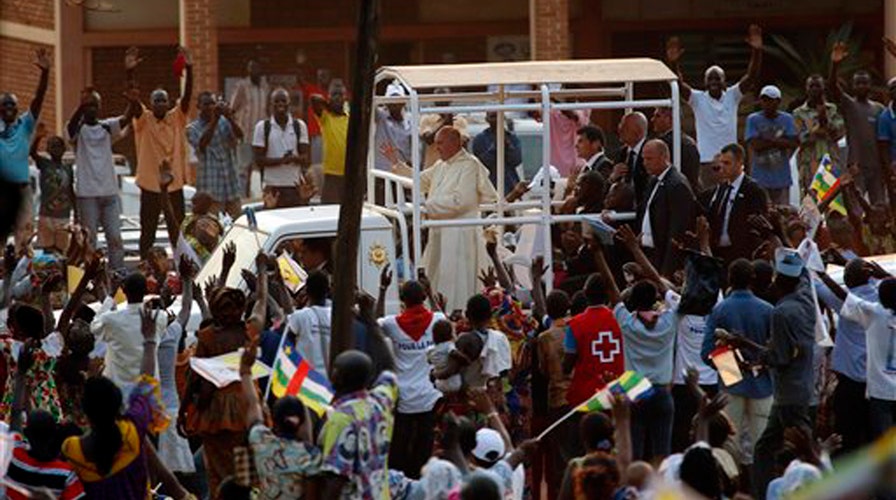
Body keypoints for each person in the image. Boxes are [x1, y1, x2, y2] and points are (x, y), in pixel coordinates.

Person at [730, 249, 815, 498]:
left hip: (786, 393)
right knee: (768, 446)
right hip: (798, 388)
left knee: (800, 448)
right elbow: (803, 273)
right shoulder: (806, 300)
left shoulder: (781, 312)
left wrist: (745, 345)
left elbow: (780, 358)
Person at [62, 306, 172, 498]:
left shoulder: (72, 448)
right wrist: (149, 340)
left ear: (86, 411)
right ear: (119, 404)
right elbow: (146, 383)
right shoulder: (132, 429)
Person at [597, 226, 677, 462]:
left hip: (635, 391)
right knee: (662, 454)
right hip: (662, 393)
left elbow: (611, 287)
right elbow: (661, 283)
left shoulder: (627, 322)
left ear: (631, 300)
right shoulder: (670, 320)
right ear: (656, 299)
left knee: (634, 453)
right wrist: (635, 249)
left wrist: (598, 254)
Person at [702, 259, 774, 480]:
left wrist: (732, 370)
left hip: (730, 384)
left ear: (730, 279)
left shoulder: (720, 310)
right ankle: (761, 487)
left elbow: (706, 352)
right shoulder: (767, 310)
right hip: (762, 385)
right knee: (762, 443)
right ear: (752, 279)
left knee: (728, 441)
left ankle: (730, 485)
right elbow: (777, 352)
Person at [666, 25, 762, 188]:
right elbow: (679, 85)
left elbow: (751, 77)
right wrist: (673, 62)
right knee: (709, 200)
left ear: (724, 81)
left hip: (729, 162)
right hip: (707, 162)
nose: (713, 82)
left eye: (717, 79)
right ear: (704, 83)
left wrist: (757, 51)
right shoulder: (698, 99)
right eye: (710, 79)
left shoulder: (732, 96)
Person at [420, 126, 499, 312]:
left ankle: (459, 314)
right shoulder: (441, 165)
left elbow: (460, 202)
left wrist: (427, 206)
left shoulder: (470, 165)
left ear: (455, 143)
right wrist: (396, 165)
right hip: (441, 231)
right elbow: (419, 180)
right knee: (437, 276)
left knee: (459, 283)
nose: (437, 148)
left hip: (460, 234)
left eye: (440, 143)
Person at [125, 46, 193, 259]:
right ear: (151, 104)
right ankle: (146, 265)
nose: (161, 104)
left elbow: (187, 96)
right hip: (151, 186)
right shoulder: (144, 120)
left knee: (178, 231)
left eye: (164, 100)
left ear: (169, 102)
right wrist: (130, 72)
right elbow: (133, 99)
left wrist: (189, 69)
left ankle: (183, 265)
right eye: (157, 100)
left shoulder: (176, 118)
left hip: (174, 186)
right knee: (148, 231)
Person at [241, 330, 321, 499]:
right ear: (301, 422)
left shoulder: (260, 440)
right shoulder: (310, 456)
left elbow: (253, 404)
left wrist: (245, 370)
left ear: (273, 419)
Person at [379, 279, 446, 479]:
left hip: (403, 397)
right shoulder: (437, 320)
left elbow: (373, 321)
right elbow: (443, 318)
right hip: (430, 395)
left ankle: (398, 483)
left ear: (402, 300)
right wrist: (431, 292)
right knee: (424, 444)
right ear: (424, 297)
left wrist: (382, 290)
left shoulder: (391, 324)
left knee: (399, 445)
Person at [66, 88, 134, 272]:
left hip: (109, 193)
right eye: (88, 105)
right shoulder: (78, 129)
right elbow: (70, 130)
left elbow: (125, 119)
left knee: (115, 238)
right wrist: (80, 107)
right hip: (87, 195)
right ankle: (91, 276)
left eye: (94, 105)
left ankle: (117, 273)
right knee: (90, 240)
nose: (91, 109)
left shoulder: (106, 127)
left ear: (100, 107)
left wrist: (132, 101)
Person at [814, 259, 877, 452]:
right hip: (879, 386)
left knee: (847, 436)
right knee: (874, 436)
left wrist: (816, 265)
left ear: (848, 279)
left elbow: (816, 284)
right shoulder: (883, 299)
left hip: (851, 384)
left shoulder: (846, 304)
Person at [561, 272, 625, 461]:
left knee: (580, 451)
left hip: (585, 396)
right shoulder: (621, 320)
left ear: (585, 293)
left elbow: (567, 364)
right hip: (616, 393)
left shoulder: (575, 324)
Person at [318, 350, 398, 499]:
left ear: (339, 378)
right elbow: (390, 376)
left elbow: (336, 478)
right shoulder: (380, 403)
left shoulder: (342, 419)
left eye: (335, 369)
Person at [0, 48, 50, 252]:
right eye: (5, 105)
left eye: (12, 105)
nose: (9, 108)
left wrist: (45, 73)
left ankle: (21, 270)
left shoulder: (25, 125)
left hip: (23, 191)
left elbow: (38, 99)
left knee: (25, 240)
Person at [838, 275, 896, 440]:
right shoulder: (876, 313)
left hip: (881, 392)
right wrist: (881, 275)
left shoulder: (875, 314)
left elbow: (845, 297)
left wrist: (822, 275)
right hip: (884, 391)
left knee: (882, 440)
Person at [89, 272, 167, 396]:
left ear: (123, 290)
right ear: (146, 291)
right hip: (146, 395)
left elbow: (94, 327)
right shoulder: (159, 317)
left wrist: (111, 295)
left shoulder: (111, 319)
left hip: (117, 394)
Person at [829, 41, 886, 204]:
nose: (861, 86)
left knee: (879, 206)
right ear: (853, 86)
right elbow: (832, 87)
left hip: (877, 167)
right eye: (858, 83)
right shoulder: (850, 105)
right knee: (856, 207)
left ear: (870, 85)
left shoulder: (879, 109)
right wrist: (835, 64)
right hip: (857, 167)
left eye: (864, 82)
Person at [702, 143, 769, 266]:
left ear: (739, 163)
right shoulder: (721, 189)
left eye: (727, 163)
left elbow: (759, 223)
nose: (722, 167)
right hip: (718, 252)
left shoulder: (753, 190)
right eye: (721, 163)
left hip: (742, 254)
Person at [638, 139, 696, 277]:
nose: (645, 163)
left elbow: (677, 230)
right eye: (643, 159)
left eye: (649, 159)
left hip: (664, 257)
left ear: (664, 157)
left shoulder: (677, 185)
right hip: (649, 253)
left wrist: (668, 270)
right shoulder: (653, 181)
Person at [252, 88, 312, 208]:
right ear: (271, 104)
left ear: (289, 103)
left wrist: (293, 158)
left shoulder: (299, 126)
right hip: (272, 187)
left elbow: (306, 158)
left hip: (294, 186)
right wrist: (282, 160)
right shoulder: (262, 127)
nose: (280, 104)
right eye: (277, 101)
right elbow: (258, 160)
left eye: (284, 101)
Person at [187, 91, 243, 219]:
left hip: (231, 185)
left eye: (213, 103)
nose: (210, 107)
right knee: (212, 226)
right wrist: (215, 119)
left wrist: (229, 117)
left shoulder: (225, 121)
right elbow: (202, 145)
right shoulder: (192, 128)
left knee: (237, 224)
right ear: (198, 106)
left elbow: (240, 136)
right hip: (210, 190)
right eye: (206, 104)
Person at [744, 85, 799, 205]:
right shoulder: (753, 119)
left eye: (770, 100)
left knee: (783, 210)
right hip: (760, 177)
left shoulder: (787, 119)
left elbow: (794, 142)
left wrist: (767, 139)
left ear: (778, 101)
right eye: (764, 100)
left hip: (782, 177)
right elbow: (755, 145)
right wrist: (780, 141)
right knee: (762, 209)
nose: (767, 103)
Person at [793, 75, 845, 194]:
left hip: (830, 161)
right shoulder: (799, 113)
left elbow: (839, 133)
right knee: (809, 200)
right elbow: (800, 138)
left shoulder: (832, 109)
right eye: (811, 86)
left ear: (823, 88)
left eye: (818, 86)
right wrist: (817, 129)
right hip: (808, 163)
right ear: (806, 88)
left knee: (832, 200)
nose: (815, 89)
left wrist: (825, 121)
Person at [29, 129, 74, 254]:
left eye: (59, 146)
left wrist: (76, 213)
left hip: (63, 216)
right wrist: (38, 137)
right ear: (48, 149)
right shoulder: (44, 164)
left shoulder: (68, 169)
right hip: (46, 215)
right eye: (53, 146)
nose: (56, 149)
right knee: (47, 249)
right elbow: (32, 153)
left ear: (64, 149)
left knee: (62, 250)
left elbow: (70, 190)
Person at [230, 59, 271, 198]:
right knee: (243, 169)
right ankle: (243, 198)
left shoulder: (265, 87)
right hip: (245, 135)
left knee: (263, 168)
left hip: (261, 137)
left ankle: (265, 198)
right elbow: (232, 109)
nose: (254, 71)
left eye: (256, 68)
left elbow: (268, 109)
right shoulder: (242, 86)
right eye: (251, 69)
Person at [310, 80, 350, 204]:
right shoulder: (326, 117)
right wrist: (329, 106)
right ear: (329, 97)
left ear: (345, 97)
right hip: (331, 174)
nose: (337, 98)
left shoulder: (350, 116)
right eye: (334, 95)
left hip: (349, 174)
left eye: (340, 95)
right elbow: (313, 99)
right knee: (329, 209)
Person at [285, 270, 332, 372]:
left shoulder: (299, 316)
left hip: (304, 377)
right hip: (329, 377)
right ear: (328, 291)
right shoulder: (335, 317)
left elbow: (287, 345)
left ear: (306, 291)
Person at [472, 111, 522, 196]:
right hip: (489, 187)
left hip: (510, 187)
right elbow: (482, 164)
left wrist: (508, 146)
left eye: (499, 117)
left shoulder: (512, 137)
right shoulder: (480, 139)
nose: (496, 120)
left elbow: (517, 161)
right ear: (487, 119)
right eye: (493, 117)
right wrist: (495, 147)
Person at [651, 106, 700, 191]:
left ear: (670, 119)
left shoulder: (665, 144)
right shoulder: (689, 141)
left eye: (657, 116)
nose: (652, 120)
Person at [420, 87, 470, 169]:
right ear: (433, 100)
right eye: (438, 97)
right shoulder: (427, 119)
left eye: (445, 97)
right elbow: (428, 139)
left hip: (454, 168)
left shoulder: (459, 120)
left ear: (450, 99)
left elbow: (464, 143)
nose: (442, 100)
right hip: (432, 169)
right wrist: (444, 123)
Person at [614, 112, 650, 204]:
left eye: (625, 127)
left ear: (639, 131)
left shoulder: (651, 151)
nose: (620, 130)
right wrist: (613, 177)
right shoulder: (620, 153)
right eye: (620, 126)